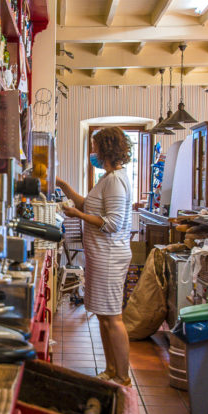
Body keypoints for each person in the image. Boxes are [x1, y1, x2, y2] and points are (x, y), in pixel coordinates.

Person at [56, 129, 133, 386]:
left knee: (112, 317)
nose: (93, 153)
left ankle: (123, 376)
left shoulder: (115, 180)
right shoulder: (107, 178)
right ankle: (111, 370)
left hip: (110, 256)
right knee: (103, 314)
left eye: (95, 147)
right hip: (101, 256)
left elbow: (112, 223)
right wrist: (63, 186)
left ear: (105, 149)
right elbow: (87, 205)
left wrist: (77, 216)